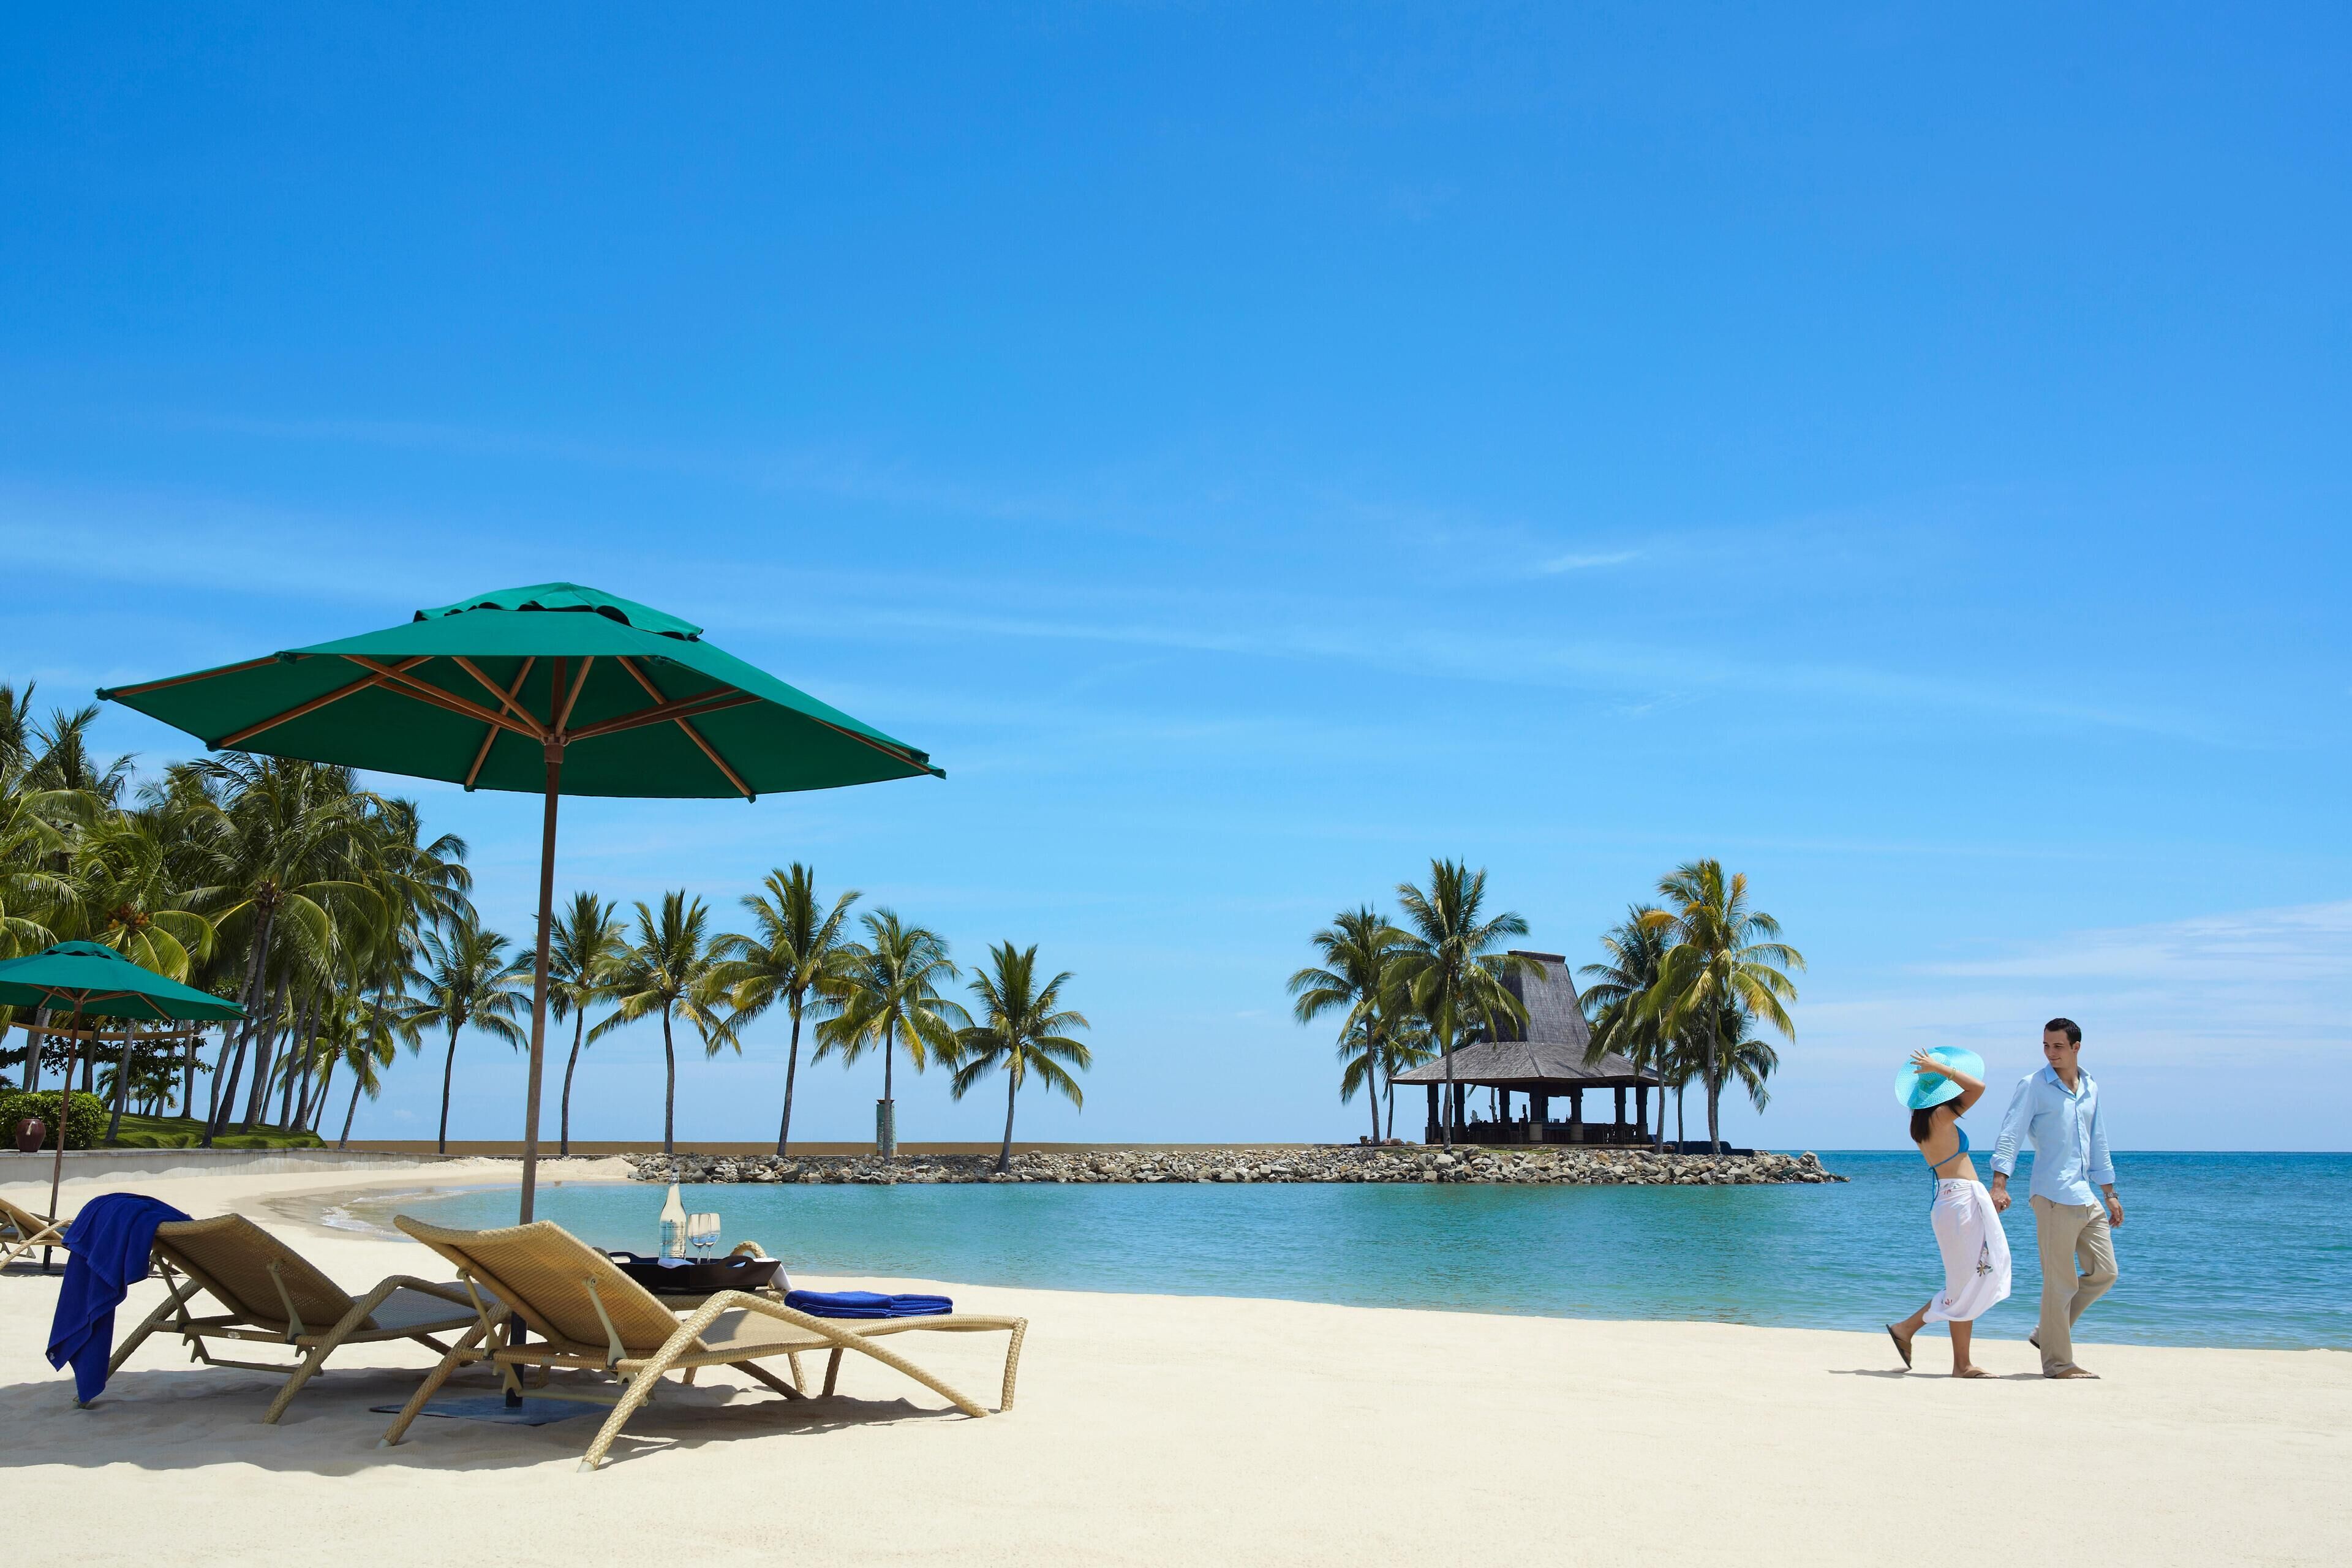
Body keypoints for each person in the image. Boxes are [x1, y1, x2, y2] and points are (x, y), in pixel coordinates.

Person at [1990, 1017, 2121, 1379]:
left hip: (2085, 1194)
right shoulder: (2033, 1086)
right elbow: (2010, 1134)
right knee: (2060, 1282)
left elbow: (2099, 1141)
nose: (2051, 1053)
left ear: (2076, 1047)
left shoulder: (2091, 1086)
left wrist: (2109, 1192)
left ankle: (2047, 1333)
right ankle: (2058, 1363)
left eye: (2058, 1047)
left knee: (2105, 1273)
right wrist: (2000, 1184)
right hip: (2051, 1195)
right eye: (2046, 1046)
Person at [1886, 1046, 2011, 1377]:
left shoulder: (1922, 1122)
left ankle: (1919, 1337)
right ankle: (1950, 1356)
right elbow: (1978, 1088)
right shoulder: (1940, 1116)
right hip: (1959, 1201)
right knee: (1966, 1281)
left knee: (1968, 1279)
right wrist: (1941, 1068)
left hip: (1952, 1201)